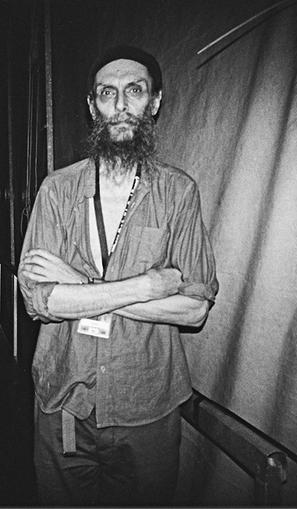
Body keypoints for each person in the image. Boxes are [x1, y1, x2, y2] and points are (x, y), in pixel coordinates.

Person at [18, 44, 218, 506]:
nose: (121, 105)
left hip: (147, 406)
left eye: (135, 91)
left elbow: (193, 308)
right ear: (92, 106)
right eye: (108, 94)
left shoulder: (178, 192)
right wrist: (147, 286)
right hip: (65, 401)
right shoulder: (58, 189)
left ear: (156, 101)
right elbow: (40, 300)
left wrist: (80, 286)